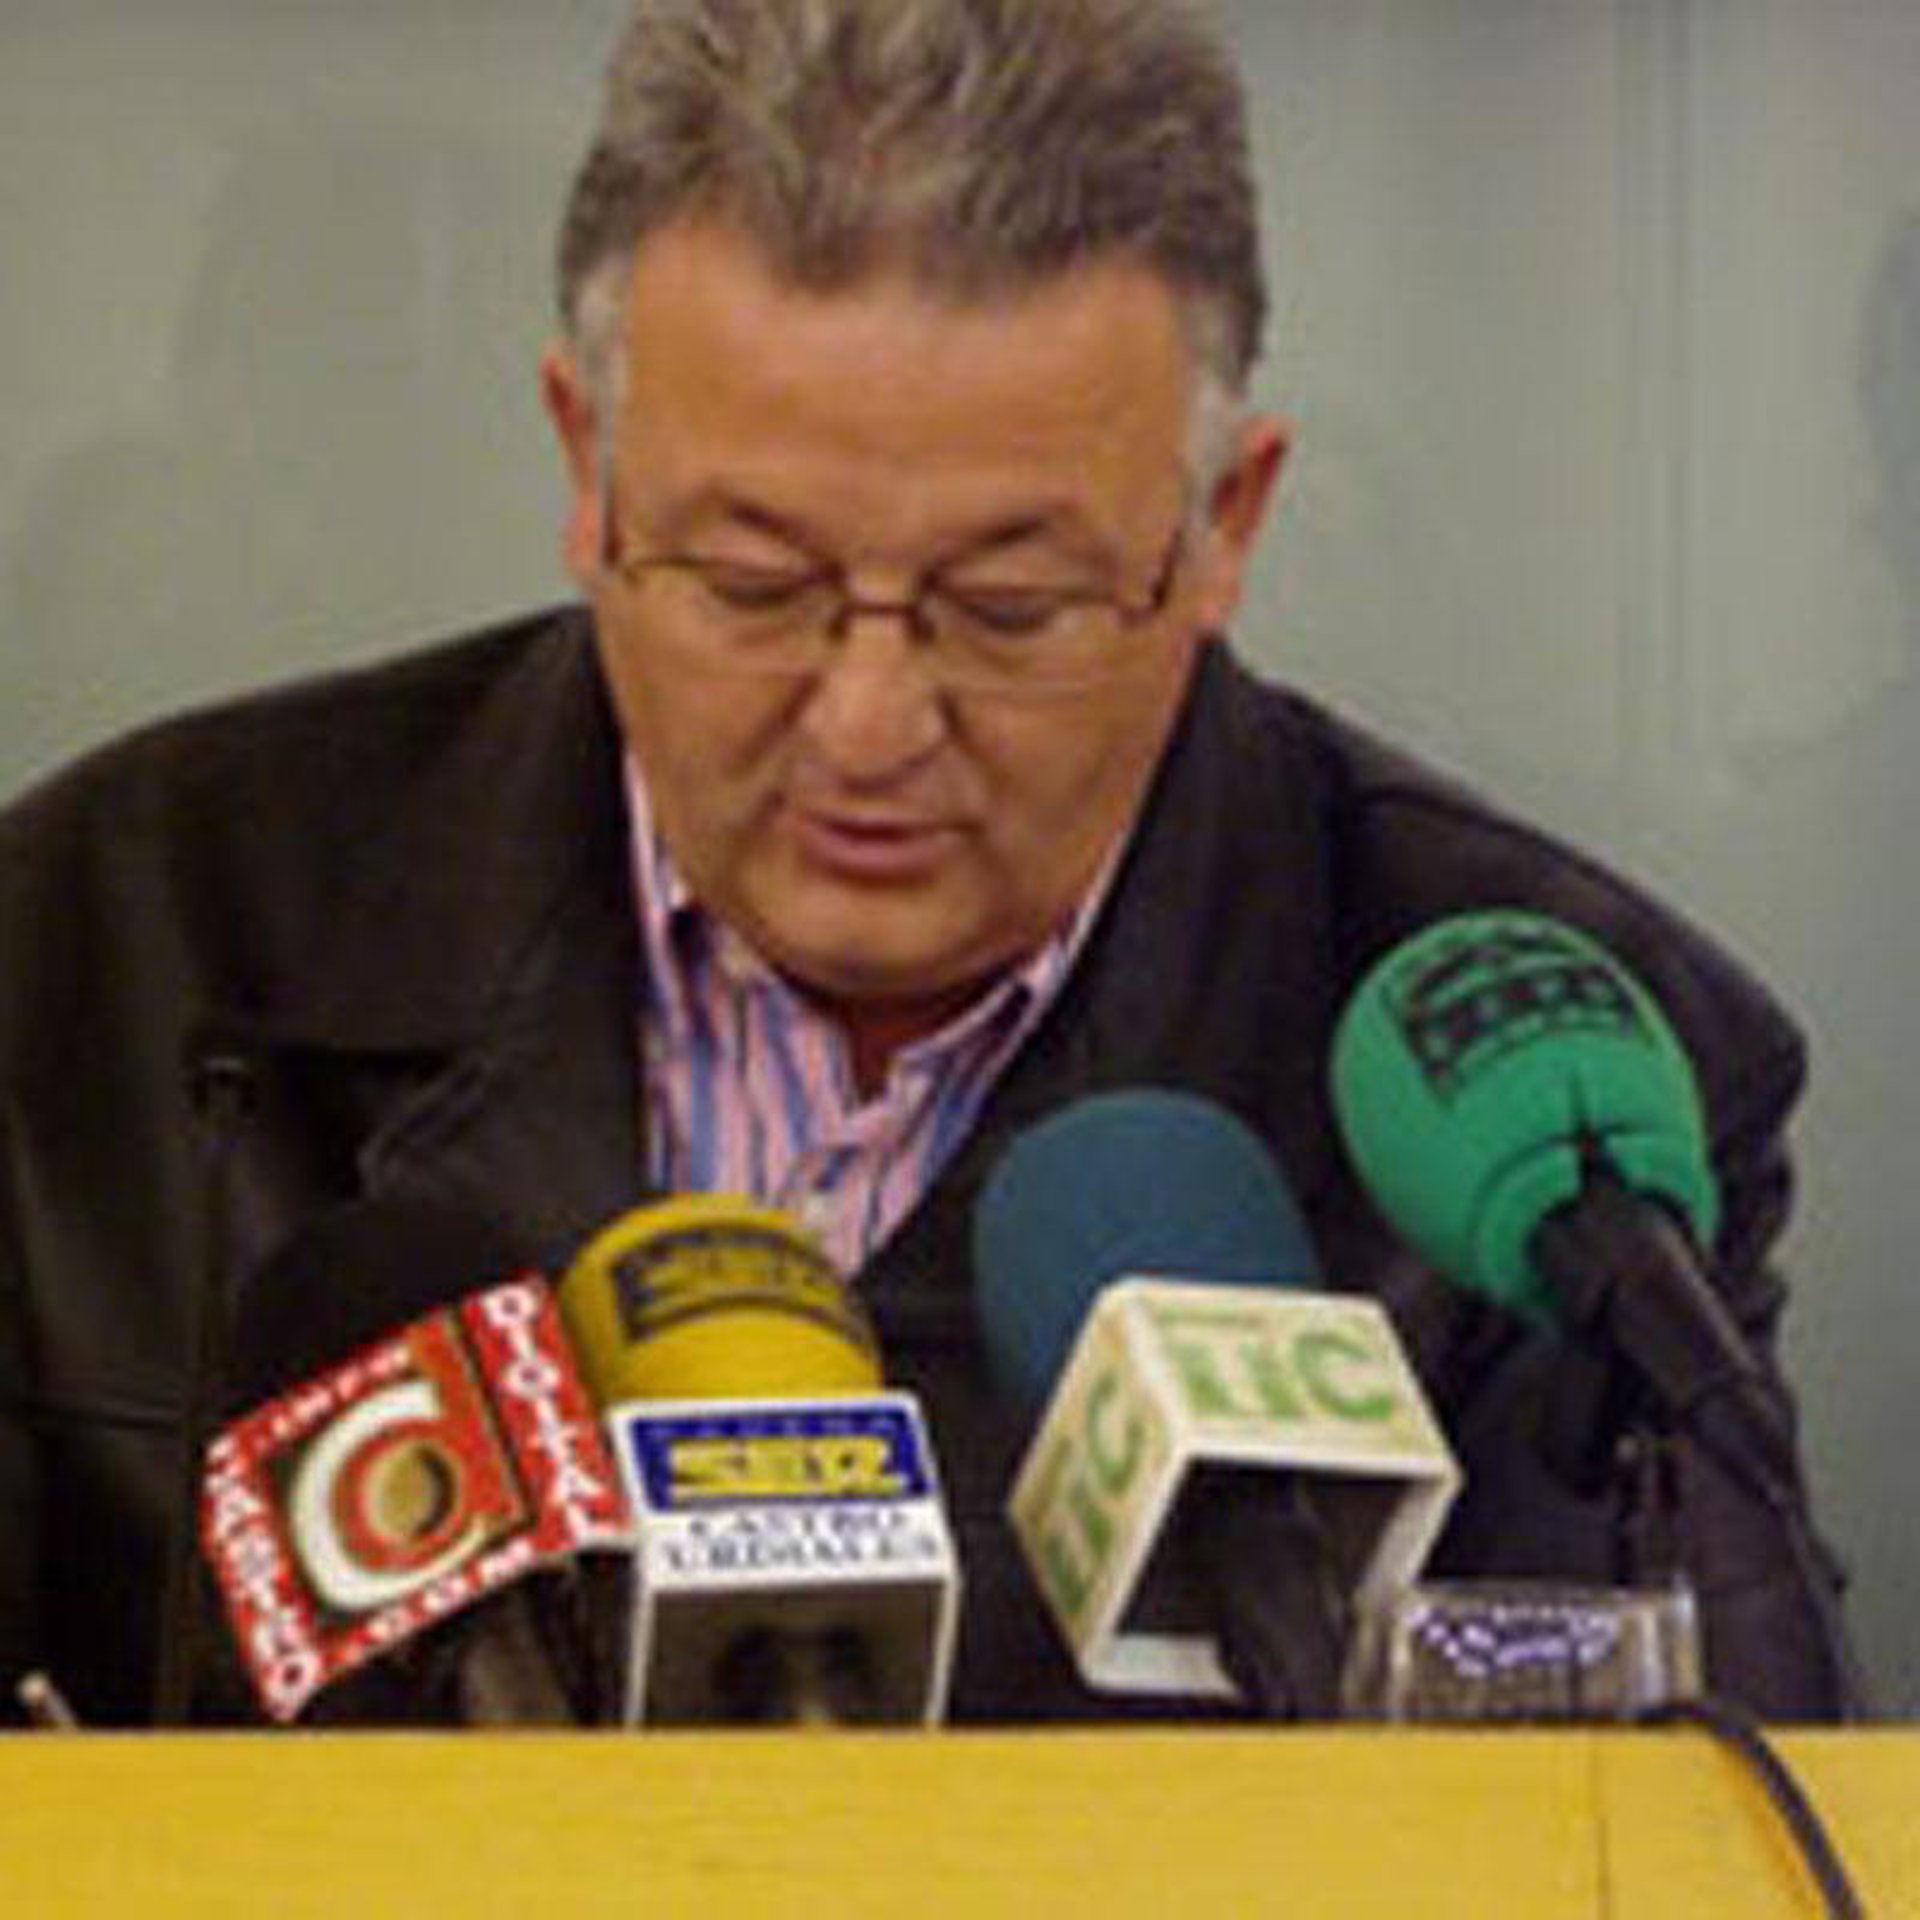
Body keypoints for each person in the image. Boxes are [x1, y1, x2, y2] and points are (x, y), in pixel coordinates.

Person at [0, 0, 1855, 1725]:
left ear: (1224, 524)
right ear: (587, 468)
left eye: (1008, 604)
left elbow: (1697, 1844)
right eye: (753, 585)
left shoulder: (1551, 1124)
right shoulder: (104, 955)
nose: (869, 721)